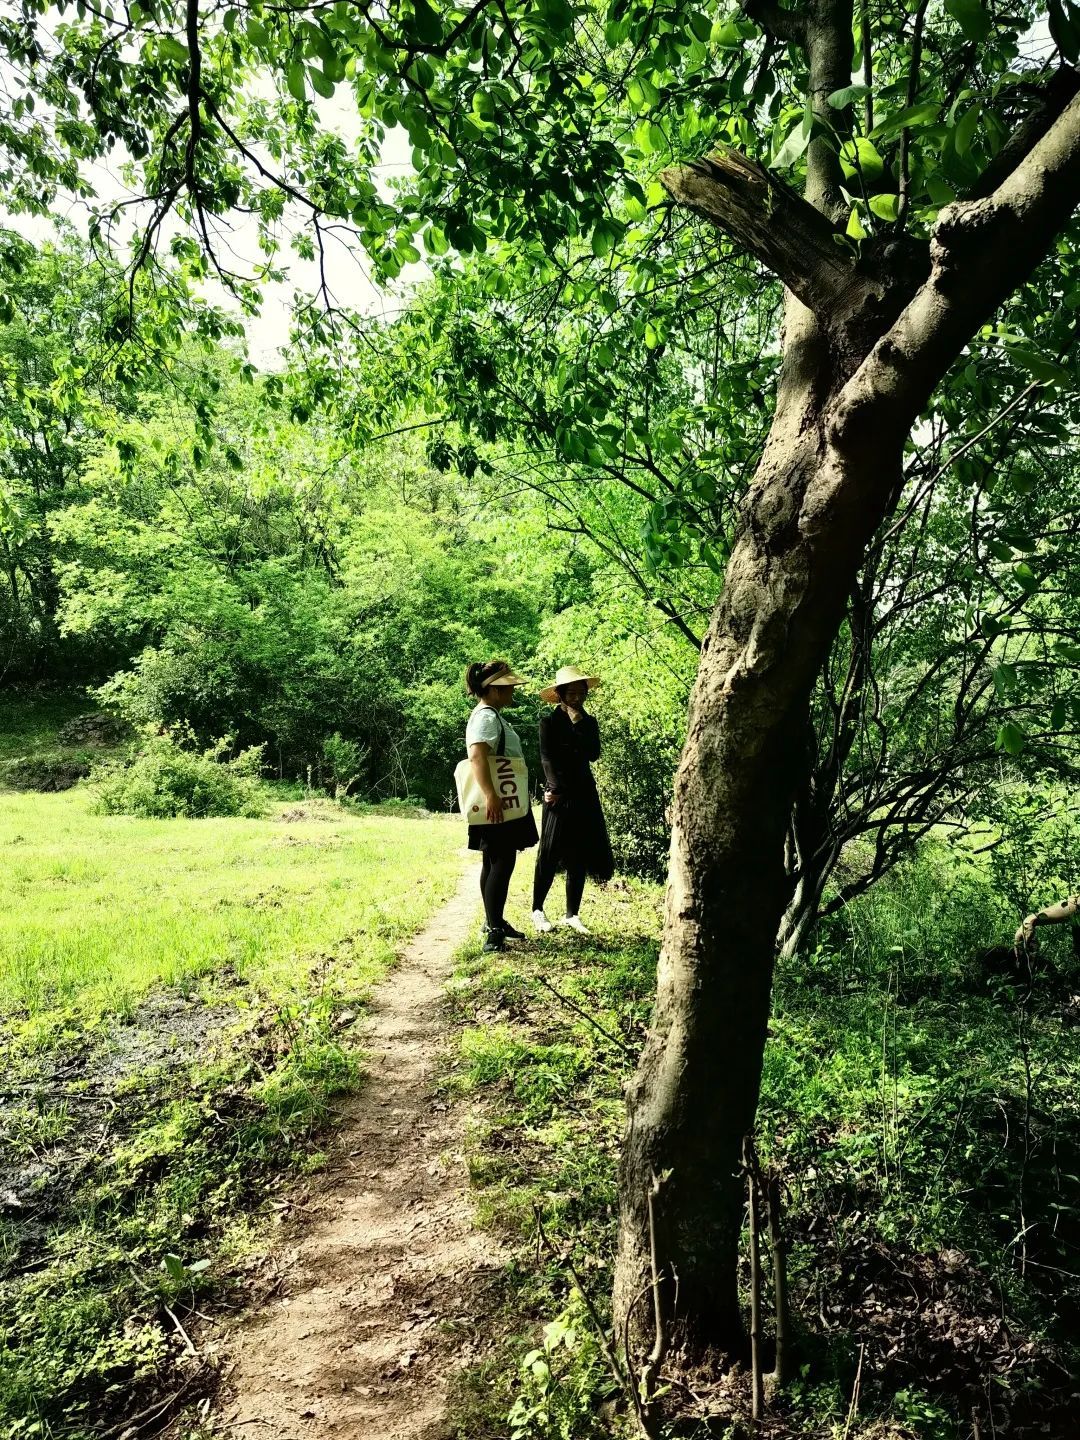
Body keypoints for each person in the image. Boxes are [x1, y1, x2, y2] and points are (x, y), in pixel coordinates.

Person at [531, 664, 614, 934]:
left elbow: (593, 754)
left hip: (584, 792)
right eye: (572, 693)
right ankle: (537, 909)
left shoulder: (589, 723)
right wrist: (554, 788)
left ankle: (572, 914)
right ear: (560, 694)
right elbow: (547, 759)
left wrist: (578, 724)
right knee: (550, 851)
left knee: (579, 852)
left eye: (581, 693)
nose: (577, 698)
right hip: (557, 794)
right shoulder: (548, 723)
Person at [464, 659, 538, 951]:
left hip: (500, 797)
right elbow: (477, 756)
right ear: (494, 690)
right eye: (508, 687)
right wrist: (491, 795)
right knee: (502, 861)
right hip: (497, 799)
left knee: (493, 860)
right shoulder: (486, 717)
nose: (512, 691)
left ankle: (492, 919)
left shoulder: (491, 715)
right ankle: (494, 931)